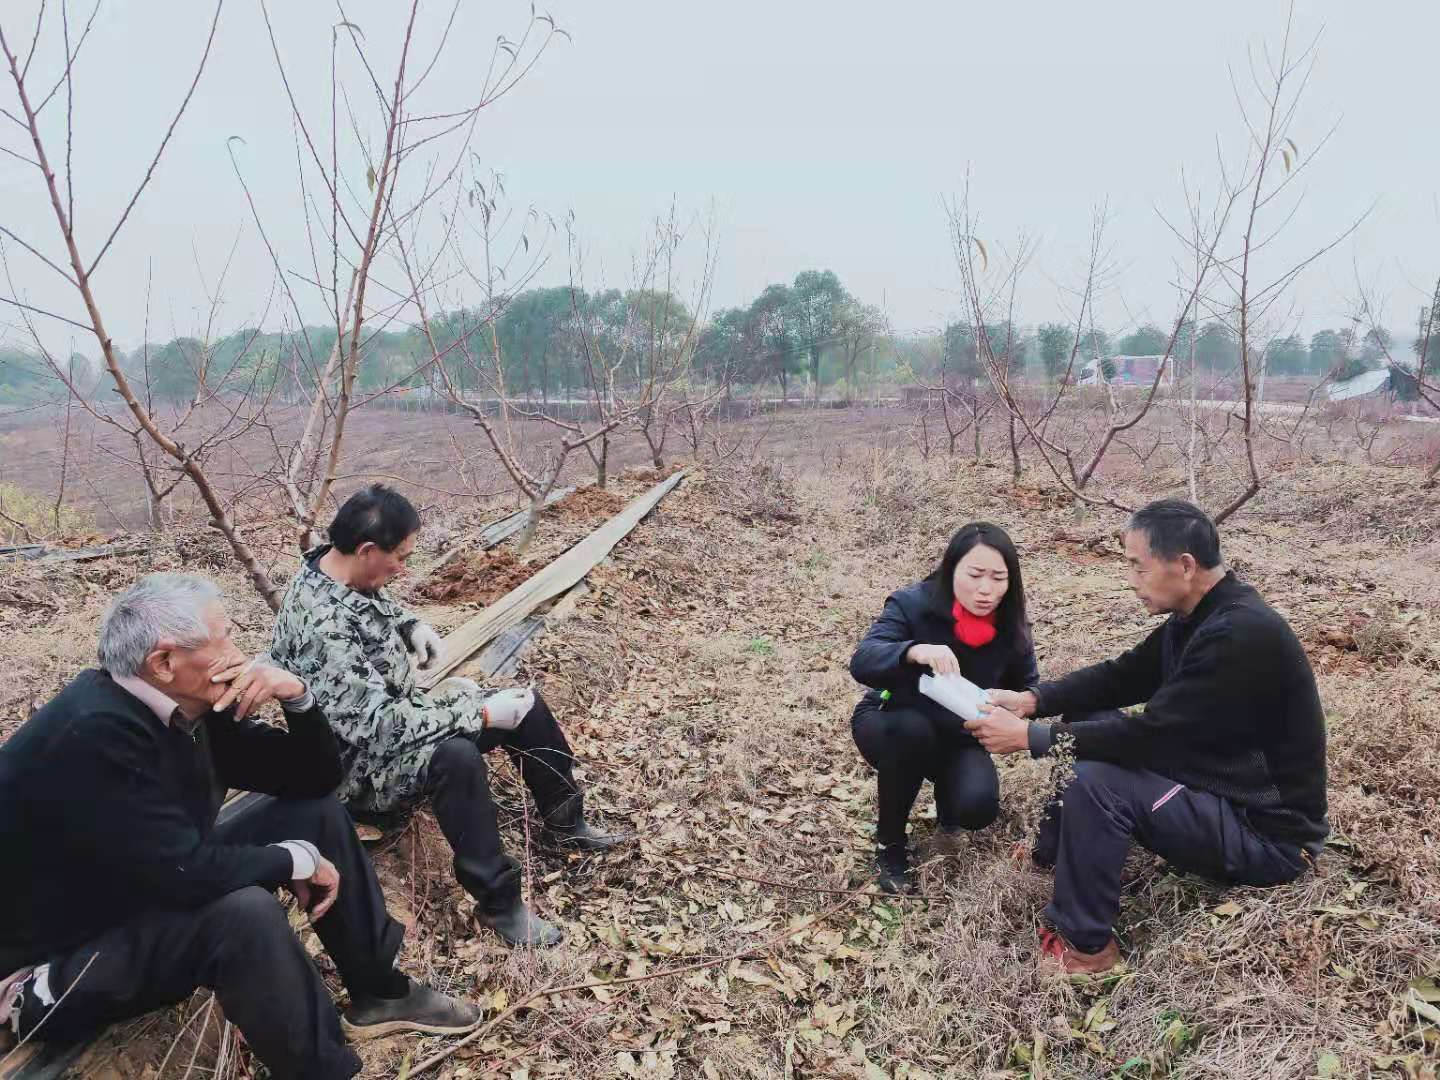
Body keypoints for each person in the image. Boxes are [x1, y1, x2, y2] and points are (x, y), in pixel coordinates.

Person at [0, 574, 478, 1080]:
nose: (238, 651)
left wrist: (297, 696)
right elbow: (184, 874)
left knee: (312, 815)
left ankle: (379, 991)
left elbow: (313, 779)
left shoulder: (186, 708)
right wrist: (293, 859)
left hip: (131, 892)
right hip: (55, 962)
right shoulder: (95, 733)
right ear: (164, 662)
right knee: (242, 915)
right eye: (223, 637)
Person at [967, 499, 1328, 974]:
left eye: (1138, 566)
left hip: (1265, 835)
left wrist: (1030, 737)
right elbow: (1122, 677)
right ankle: (1051, 853)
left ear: (1184, 565)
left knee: (1096, 782)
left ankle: (1086, 949)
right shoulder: (1201, 615)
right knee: (1086, 714)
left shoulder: (1241, 634)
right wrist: (1033, 701)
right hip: (1214, 782)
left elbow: (1151, 739)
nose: (1130, 579)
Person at [270, 484, 624, 950]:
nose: (404, 568)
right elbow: (380, 728)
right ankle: (500, 903)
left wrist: (410, 625)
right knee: (455, 757)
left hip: (397, 715)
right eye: (399, 557)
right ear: (368, 550)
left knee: (524, 705)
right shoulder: (322, 627)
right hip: (359, 766)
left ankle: (565, 823)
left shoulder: (336, 569)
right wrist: (476, 712)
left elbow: (373, 599)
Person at [849, 522, 1039, 893]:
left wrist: (1015, 704)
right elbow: (864, 660)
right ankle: (890, 844)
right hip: (892, 720)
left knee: (976, 806)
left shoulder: (1011, 625)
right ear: (952, 568)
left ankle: (948, 814)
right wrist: (912, 651)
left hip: (959, 735)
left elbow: (1028, 687)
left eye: (998, 578)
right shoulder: (913, 603)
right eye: (974, 574)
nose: (986, 589)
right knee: (912, 733)